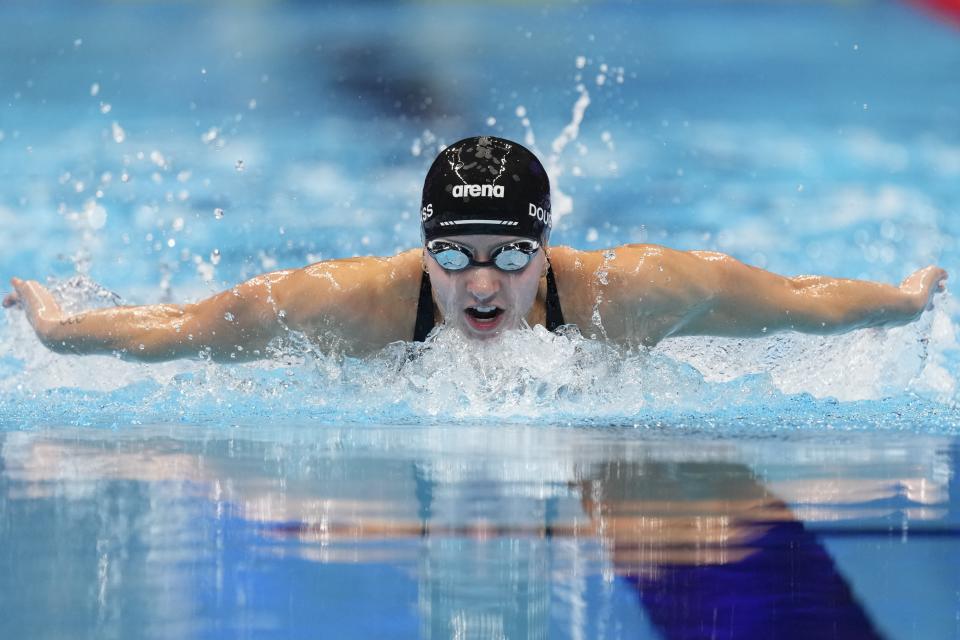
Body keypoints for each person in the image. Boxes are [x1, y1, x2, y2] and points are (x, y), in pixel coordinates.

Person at [3, 135, 948, 361]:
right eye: (454, 257)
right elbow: (181, 328)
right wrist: (55, 329)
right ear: (422, 255)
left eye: (509, 254)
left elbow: (799, 299)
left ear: (548, 249)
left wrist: (902, 302)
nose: (483, 284)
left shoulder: (638, 290)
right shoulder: (346, 302)